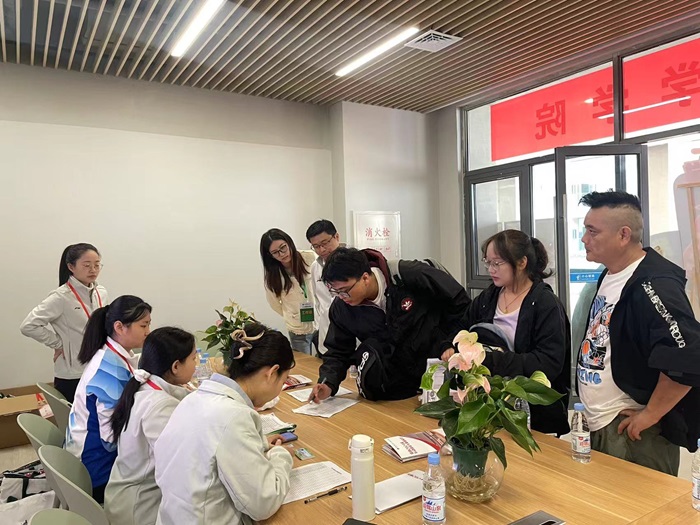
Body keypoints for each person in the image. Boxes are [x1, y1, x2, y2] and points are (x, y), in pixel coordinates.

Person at [577, 190, 700, 475]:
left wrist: (651, 414)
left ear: (623, 235)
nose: (584, 239)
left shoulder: (654, 284)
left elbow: (688, 356)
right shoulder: (610, 274)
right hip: (601, 423)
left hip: (631, 433)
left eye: (593, 231)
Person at [154, 323, 294, 525]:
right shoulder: (235, 416)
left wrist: (257, 444)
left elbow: (214, 444)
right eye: (284, 380)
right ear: (271, 373)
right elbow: (263, 503)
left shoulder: (195, 398)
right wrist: (280, 456)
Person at [441, 230, 571, 435]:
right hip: (491, 410)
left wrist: (490, 360)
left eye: (497, 263)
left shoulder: (545, 304)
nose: (491, 270)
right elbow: (461, 326)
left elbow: (548, 363)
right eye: (488, 262)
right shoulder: (489, 297)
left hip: (533, 416)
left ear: (521, 262)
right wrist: (449, 345)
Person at [308, 247, 470, 402]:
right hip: (399, 388)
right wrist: (328, 383)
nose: (341, 297)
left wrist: (450, 341)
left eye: (344, 290)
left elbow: (462, 305)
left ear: (365, 278)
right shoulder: (342, 308)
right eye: (335, 292)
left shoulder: (410, 276)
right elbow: (338, 351)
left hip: (439, 373)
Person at [104, 327, 196, 525]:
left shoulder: (146, 386)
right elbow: (179, 464)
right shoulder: (160, 406)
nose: (196, 364)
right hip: (140, 506)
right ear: (176, 366)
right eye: (194, 359)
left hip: (127, 491)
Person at [65, 295, 152, 502]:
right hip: (95, 470)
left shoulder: (112, 355)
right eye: (143, 325)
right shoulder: (109, 370)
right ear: (119, 327)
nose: (148, 331)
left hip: (87, 453)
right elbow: (110, 440)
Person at [20, 243, 109, 402]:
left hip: (99, 368)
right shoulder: (61, 297)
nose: (93, 270)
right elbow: (29, 325)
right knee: (77, 417)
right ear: (71, 267)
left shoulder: (101, 292)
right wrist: (59, 344)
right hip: (73, 374)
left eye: (97, 265)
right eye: (87, 265)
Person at [260, 228, 317, 354]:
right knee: (304, 363)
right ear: (270, 255)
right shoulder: (272, 276)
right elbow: (274, 304)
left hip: (319, 320)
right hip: (297, 328)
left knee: (327, 358)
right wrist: (291, 314)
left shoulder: (309, 257)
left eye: (283, 247)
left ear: (289, 242)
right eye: (275, 252)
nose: (281, 254)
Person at [306, 219, 344, 356]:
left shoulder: (354, 262)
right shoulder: (315, 267)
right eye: (316, 246)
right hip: (326, 335)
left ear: (336, 237)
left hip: (351, 334)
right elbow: (318, 301)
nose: (321, 250)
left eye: (325, 243)